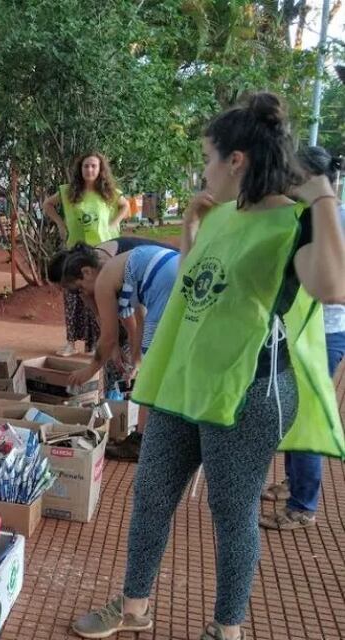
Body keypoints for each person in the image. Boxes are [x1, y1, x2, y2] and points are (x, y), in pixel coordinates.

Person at [72, 92, 345, 640]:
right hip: (187, 383)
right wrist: (193, 227)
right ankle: (133, 607)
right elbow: (197, 289)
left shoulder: (293, 223)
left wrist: (322, 200)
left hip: (250, 393)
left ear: (236, 160)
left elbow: (332, 286)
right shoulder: (222, 212)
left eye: (207, 158)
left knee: (230, 512)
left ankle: (226, 629)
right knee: (150, 494)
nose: (204, 170)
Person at [260, 146, 345, 531]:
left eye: (292, 178)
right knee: (291, 408)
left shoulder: (331, 219)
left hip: (323, 332)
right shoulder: (305, 214)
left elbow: (333, 286)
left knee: (306, 412)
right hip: (298, 328)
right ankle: (294, 484)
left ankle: (303, 504)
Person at [48, 238, 179, 461]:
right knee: (163, 362)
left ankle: (142, 439)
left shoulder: (104, 280)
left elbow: (108, 338)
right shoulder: (121, 268)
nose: (83, 294)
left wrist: (87, 372)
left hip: (167, 284)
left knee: (154, 369)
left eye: (80, 289)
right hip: (178, 268)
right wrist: (136, 360)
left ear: (87, 272)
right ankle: (162, 431)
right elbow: (138, 316)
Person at [43, 153, 130, 357]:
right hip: (75, 252)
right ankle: (70, 342)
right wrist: (60, 224)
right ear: (80, 169)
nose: (89, 170)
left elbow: (126, 205)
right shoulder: (67, 192)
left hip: (101, 252)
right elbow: (47, 204)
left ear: (100, 169)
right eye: (85, 166)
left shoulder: (109, 193)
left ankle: (94, 344)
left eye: (93, 166)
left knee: (99, 297)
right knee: (73, 297)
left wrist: (115, 223)